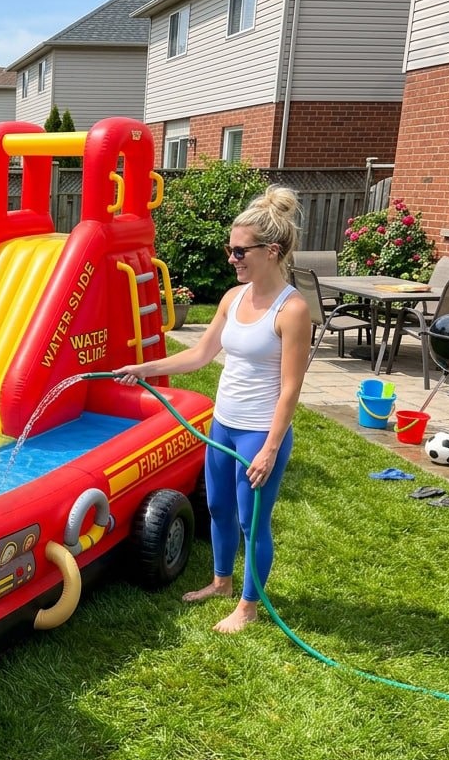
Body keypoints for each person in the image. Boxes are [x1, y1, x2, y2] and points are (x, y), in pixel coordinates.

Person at [115, 185, 311, 633]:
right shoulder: (233, 298)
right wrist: (145, 367)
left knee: (252, 523)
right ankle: (222, 581)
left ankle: (248, 605)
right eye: (230, 249)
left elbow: (290, 388)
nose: (232, 258)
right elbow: (200, 355)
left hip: (260, 434)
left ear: (272, 251)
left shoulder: (292, 309)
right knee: (219, 508)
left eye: (240, 251)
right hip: (223, 426)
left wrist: (269, 449)